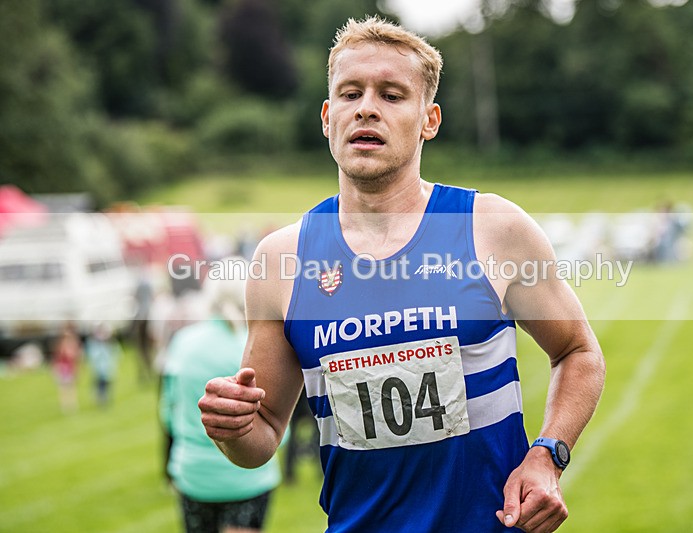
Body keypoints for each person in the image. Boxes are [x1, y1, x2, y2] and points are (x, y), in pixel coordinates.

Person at [198, 16, 606, 533]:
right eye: (350, 94)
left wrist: (548, 455)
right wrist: (232, 427)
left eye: (391, 95)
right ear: (327, 117)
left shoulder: (492, 228)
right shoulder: (282, 260)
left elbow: (578, 352)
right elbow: (264, 435)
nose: (366, 108)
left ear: (429, 120)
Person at [161, 261, 283, 533]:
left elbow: (168, 412)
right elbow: (275, 424)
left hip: (193, 473)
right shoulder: (255, 348)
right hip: (247, 478)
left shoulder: (183, 342)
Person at [84, 321, 122, 407]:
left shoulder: (110, 344)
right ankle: (101, 399)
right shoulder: (94, 344)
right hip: (99, 369)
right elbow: (92, 355)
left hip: (107, 369)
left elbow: (116, 353)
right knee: (100, 385)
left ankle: (106, 399)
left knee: (107, 385)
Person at [52, 321, 82, 414]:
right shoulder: (61, 345)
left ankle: (71, 405)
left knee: (71, 387)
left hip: (69, 368)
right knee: (64, 388)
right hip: (63, 369)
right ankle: (65, 405)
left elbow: (76, 358)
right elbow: (57, 359)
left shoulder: (73, 344)